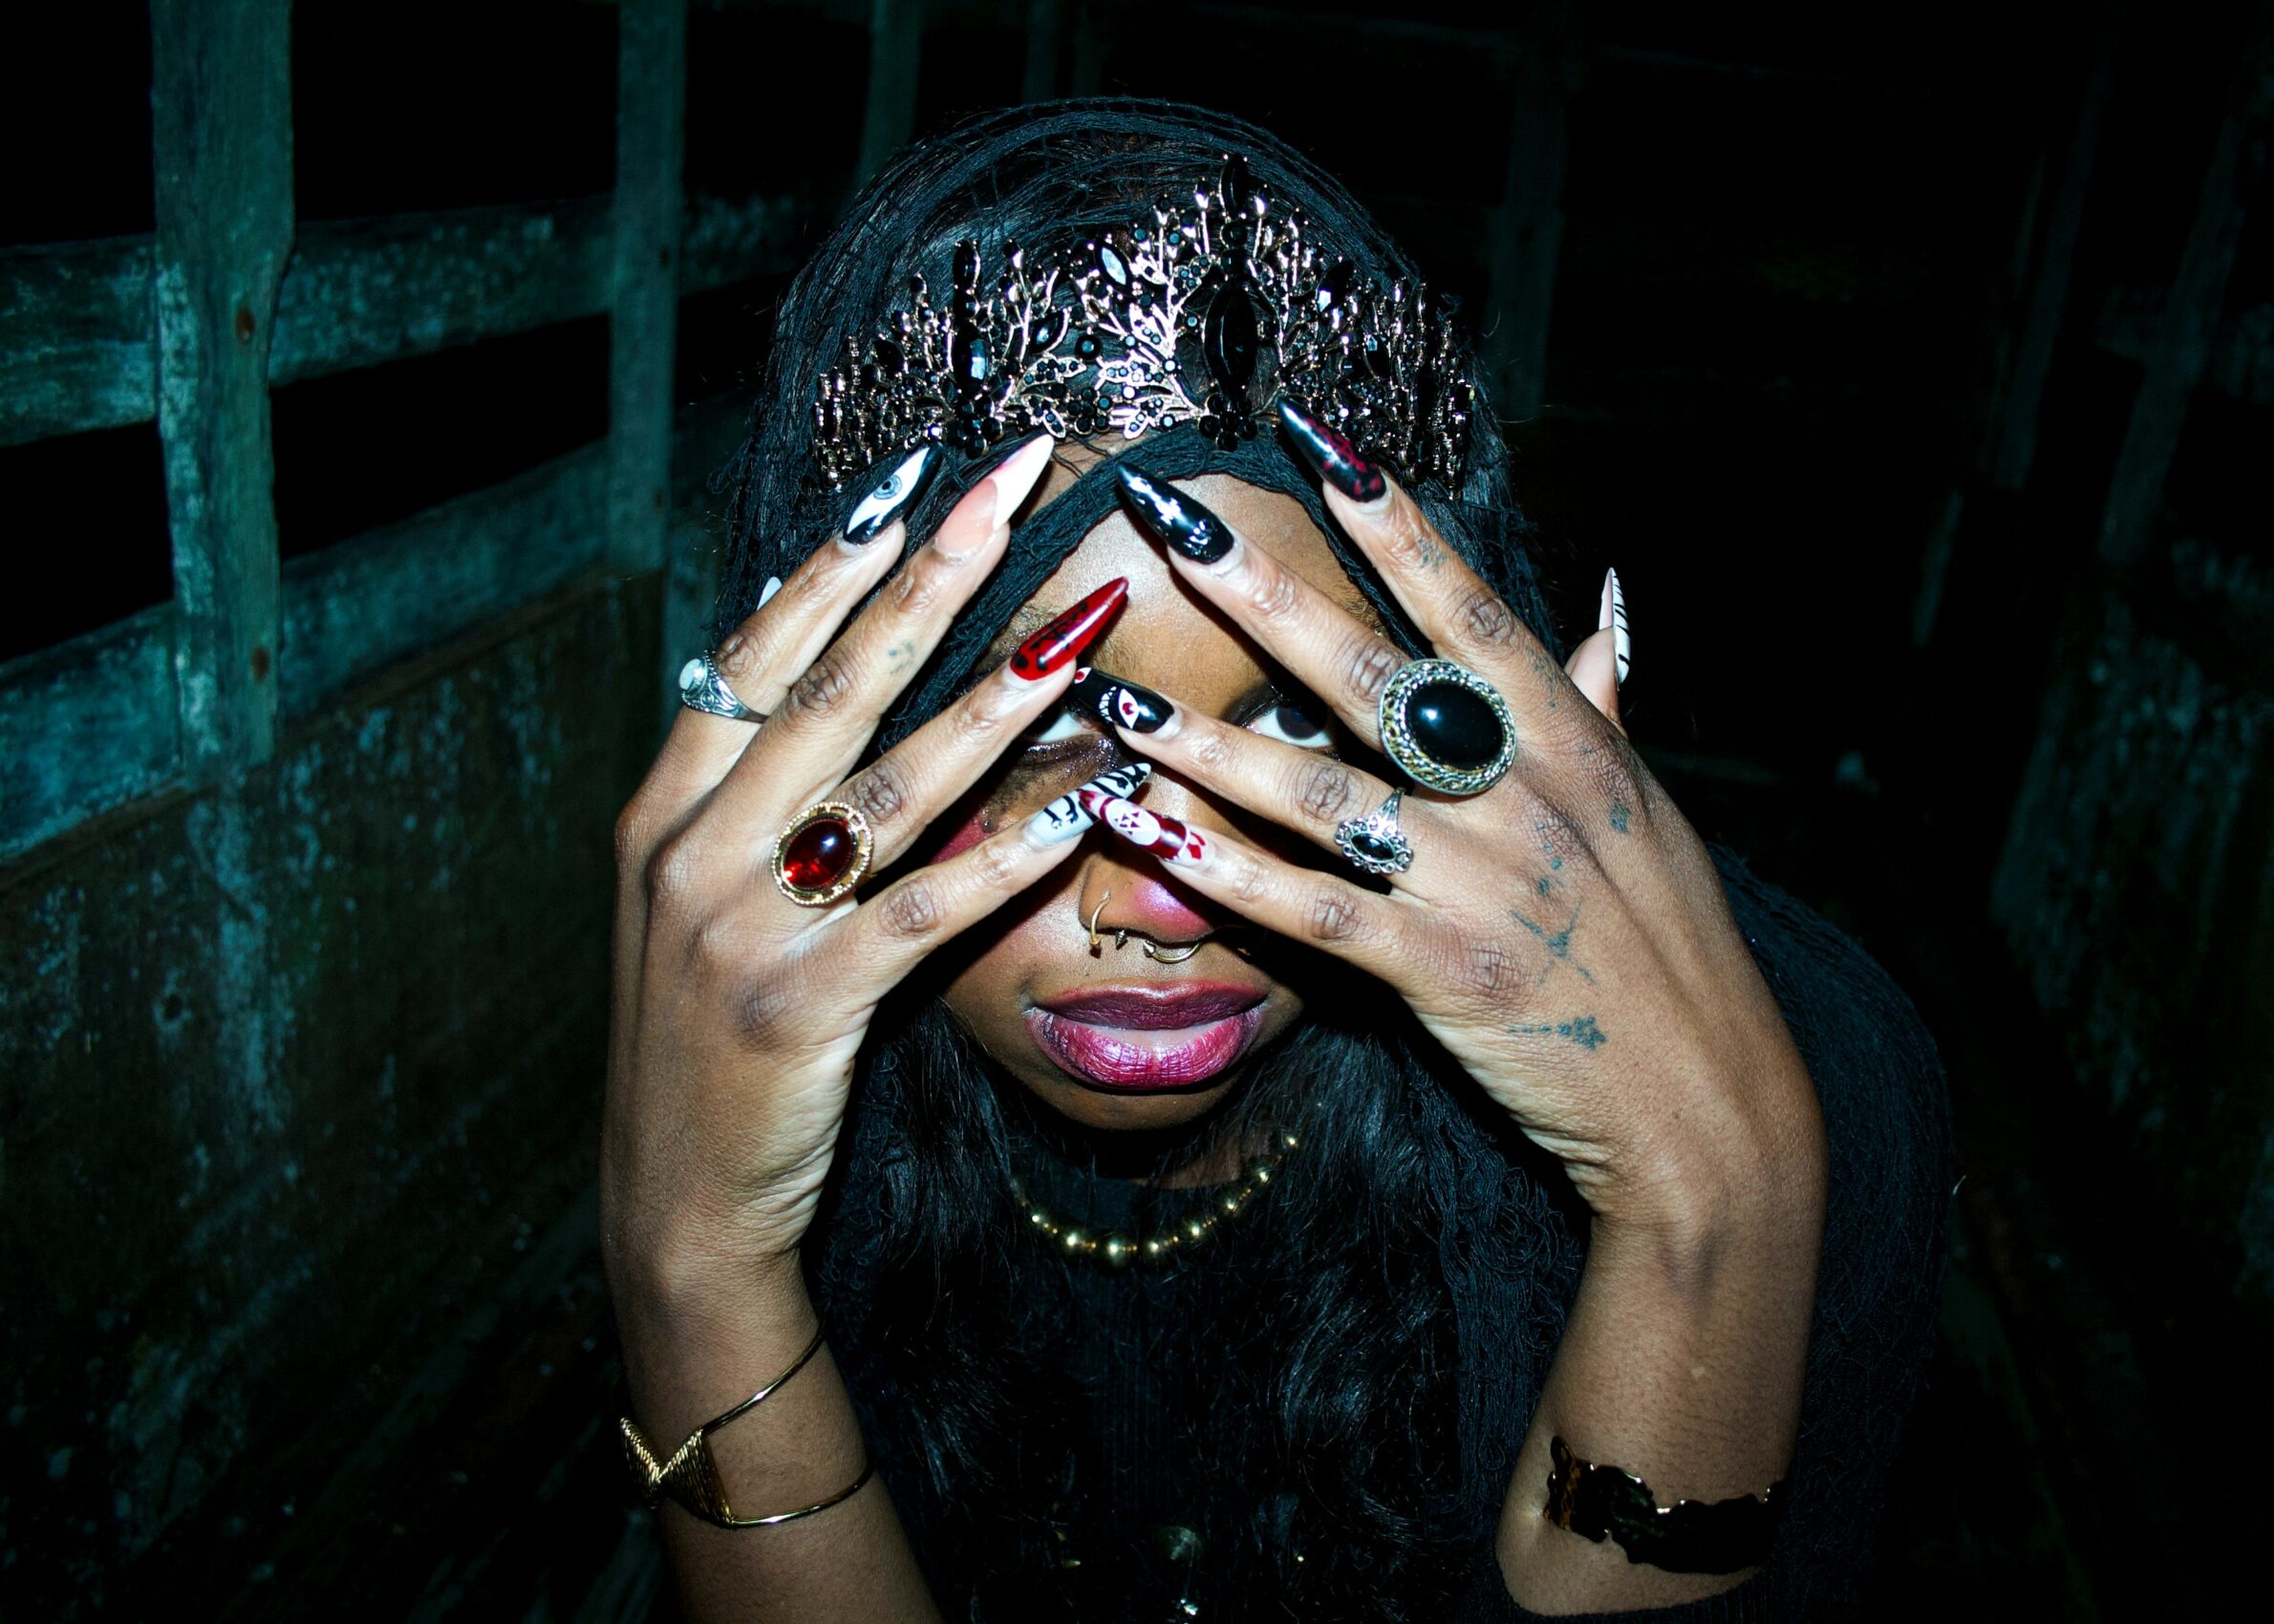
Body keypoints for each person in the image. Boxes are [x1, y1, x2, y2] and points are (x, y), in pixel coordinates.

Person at [605, 99, 1949, 1622]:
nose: (1157, 902)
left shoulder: (1772, 1091)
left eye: (1300, 726)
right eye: (1022, 738)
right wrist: (691, 1260)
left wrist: (1712, 1214)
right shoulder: (754, 1078)